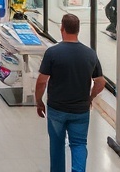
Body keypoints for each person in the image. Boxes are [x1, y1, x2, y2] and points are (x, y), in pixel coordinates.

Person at [35, 14, 106, 172]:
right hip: (80, 110)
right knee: (79, 144)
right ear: (78, 30)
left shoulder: (53, 53)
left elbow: (41, 81)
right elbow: (101, 82)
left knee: (57, 145)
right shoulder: (90, 54)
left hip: (57, 109)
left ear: (62, 28)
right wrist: (90, 97)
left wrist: (39, 102)